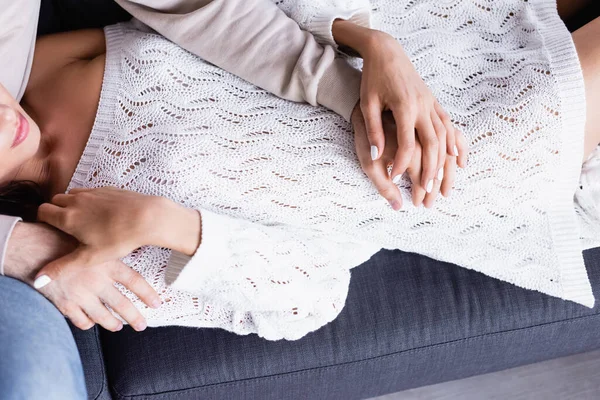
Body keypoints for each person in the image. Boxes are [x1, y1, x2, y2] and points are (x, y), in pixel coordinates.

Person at [0, 0, 598, 344]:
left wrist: (372, 44)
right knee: (535, 110)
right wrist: (171, 223)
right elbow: (311, 298)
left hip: (394, 46)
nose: (3, 116)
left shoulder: (27, 71)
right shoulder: (79, 243)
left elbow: (211, 17)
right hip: (446, 160)